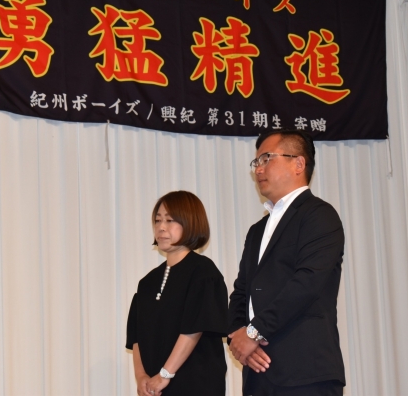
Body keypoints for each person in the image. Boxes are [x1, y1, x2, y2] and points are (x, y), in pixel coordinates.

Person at [228, 130, 346, 396]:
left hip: (304, 372)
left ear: (298, 164)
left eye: (266, 159)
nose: (258, 169)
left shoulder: (319, 215)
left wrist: (254, 332)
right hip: (258, 374)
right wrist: (238, 335)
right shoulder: (257, 230)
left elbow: (307, 283)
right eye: (256, 162)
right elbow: (242, 290)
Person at [126, 191, 228, 396]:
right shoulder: (147, 282)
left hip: (196, 384)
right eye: (158, 220)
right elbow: (136, 336)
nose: (161, 227)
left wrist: (165, 374)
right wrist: (141, 376)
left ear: (191, 223)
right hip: (155, 387)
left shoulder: (203, 272)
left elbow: (194, 329)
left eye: (170, 220)